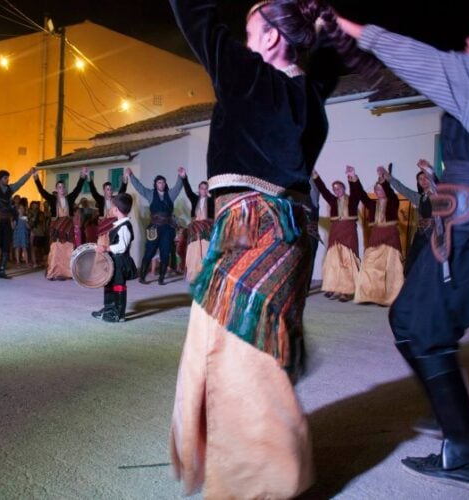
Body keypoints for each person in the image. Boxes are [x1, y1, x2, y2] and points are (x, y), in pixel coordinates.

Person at [167, 0, 376, 496]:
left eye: (249, 31)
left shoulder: (249, 77)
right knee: (247, 347)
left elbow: (196, 18)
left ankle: (265, 479)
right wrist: (322, 25)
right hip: (292, 238)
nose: (242, 43)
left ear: (270, 39)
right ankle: (256, 470)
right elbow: (327, 59)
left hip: (251, 228)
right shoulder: (310, 95)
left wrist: (314, 24)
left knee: (235, 352)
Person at [338, 8, 469, 491]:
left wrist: (346, 27)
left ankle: (463, 452)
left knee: (419, 327)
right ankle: (451, 414)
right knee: (415, 320)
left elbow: (410, 56)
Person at [351, 166, 404, 305]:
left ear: (385, 190)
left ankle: (388, 297)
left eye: (380, 189)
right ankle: (369, 295)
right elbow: (361, 194)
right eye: (376, 189)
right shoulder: (372, 204)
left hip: (390, 237)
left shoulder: (393, 201)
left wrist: (383, 179)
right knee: (370, 265)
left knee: (391, 267)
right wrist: (354, 177)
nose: (377, 191)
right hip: (376, 236)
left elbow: (390, 193)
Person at [126, 167, 183, 285]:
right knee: (150, 251)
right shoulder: (150, 194)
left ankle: (161, 278)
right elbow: (140, 187)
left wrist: (180, 176)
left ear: (165, 184)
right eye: (159, 182)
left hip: (167, 229)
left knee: (165, 252)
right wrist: (131, 175)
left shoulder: (170, 194)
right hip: (154, 228)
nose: (161, 184)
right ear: (155, 184)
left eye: (163, 182)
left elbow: (178, 186)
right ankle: (142, 277)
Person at [312, 166, 361, 301]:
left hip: (348, 232)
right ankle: (333, 287)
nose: (337, 191)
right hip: (336, 232)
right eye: (334, 189)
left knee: (347, 260)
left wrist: (352, 176)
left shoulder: (353, 199)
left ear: (344, 188)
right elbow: (323, 189)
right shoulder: (332, 200)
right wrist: (315, 175)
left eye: (339, 188)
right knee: (334, 260)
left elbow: (356, 190)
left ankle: (347, 291)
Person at [384, 159, 437, 275]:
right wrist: (389, 178)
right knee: (411, 264)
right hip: (421, 234)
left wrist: (427, 169)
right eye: (420, 179)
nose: (423, 180)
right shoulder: (419, 198)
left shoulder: (438, 194)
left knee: (432, 264)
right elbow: (403, 189)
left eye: (425, 177)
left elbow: (436, 184)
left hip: (435, 235)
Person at [33, 168, 87, 280]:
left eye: (63, 187)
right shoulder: (52, 199)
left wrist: (82, 175)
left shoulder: (70, 198)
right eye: (59, 187)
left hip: (68, 227)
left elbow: (77, 189)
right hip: (56, 228)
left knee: (68, 249)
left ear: (65, 189)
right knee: (55, 248)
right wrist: (36, 177)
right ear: (56, 189)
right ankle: (54, 272)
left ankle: (67, 273)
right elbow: (41, 191)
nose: (61, 189)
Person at [92, 193, 137, 323]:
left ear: (116, 209)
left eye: (112, 207)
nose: (111, 209)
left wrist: (106, 248)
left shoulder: (125, 226)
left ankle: (119, 313)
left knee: (118, 285)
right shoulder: (118, 224)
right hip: (114, 261)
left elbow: (122, 247)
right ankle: (109, 308)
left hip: (121, 261)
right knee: (109, 283)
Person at [178, 167, 214, 282]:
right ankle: (193, 274)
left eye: (206, 188)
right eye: (202, 188)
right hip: (195, 230)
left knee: (206, 250)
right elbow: (188, 190)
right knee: (193, 251)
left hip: (207, 230)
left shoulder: (212, 201)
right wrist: (184, 177)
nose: (204, 190)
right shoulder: (195, 199)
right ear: (199, 189)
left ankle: (206, 275)